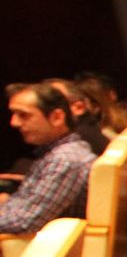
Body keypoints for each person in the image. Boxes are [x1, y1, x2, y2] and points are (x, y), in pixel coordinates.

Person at [0, 82, 96, 239]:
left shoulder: (65, 160)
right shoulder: (58, 153)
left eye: (23, 115)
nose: (14, 123)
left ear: (57, 117)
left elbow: (26, 222)